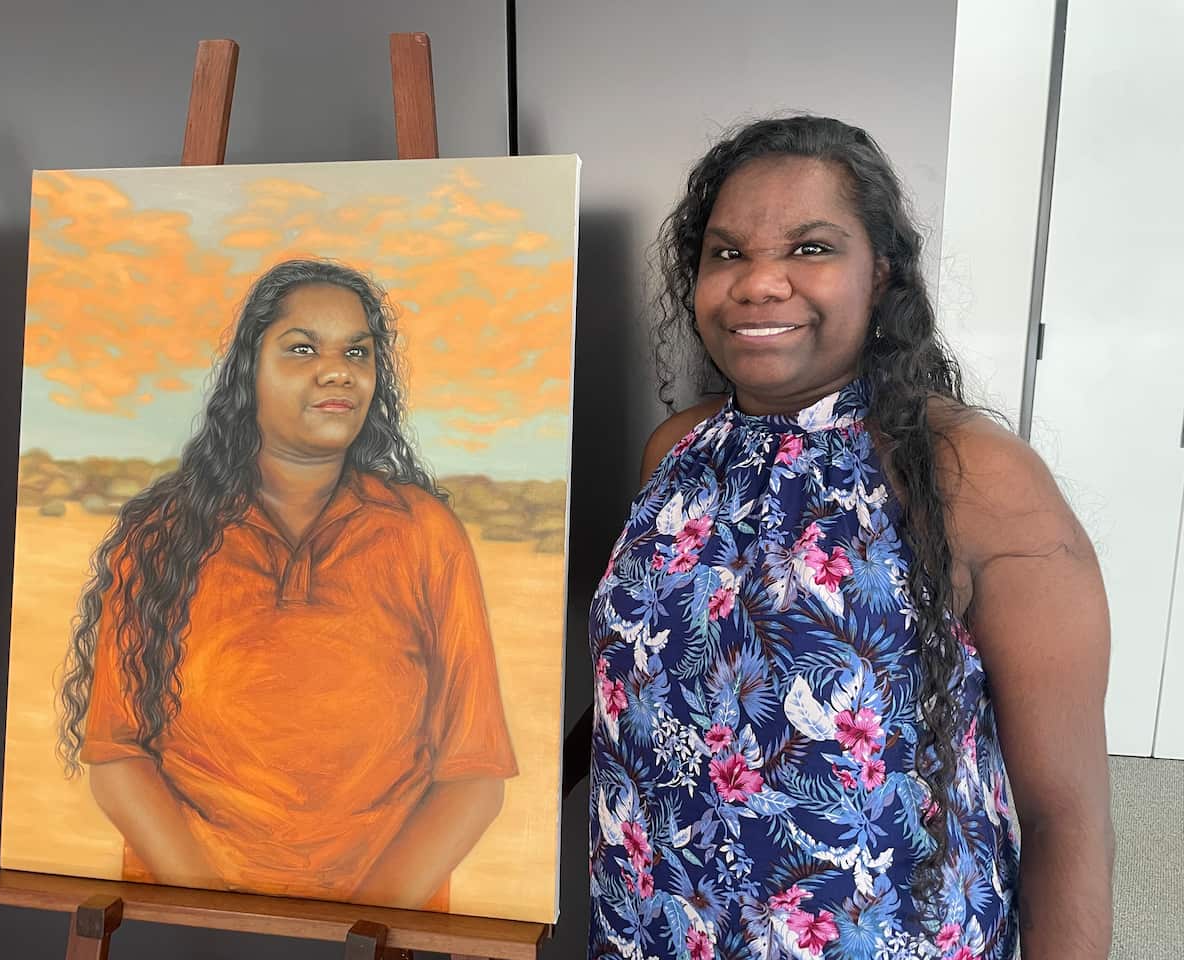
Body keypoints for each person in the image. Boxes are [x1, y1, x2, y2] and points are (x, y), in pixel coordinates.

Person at [587, 117, 1113, 959]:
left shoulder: (974, 478)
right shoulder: (676, 453)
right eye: (727, 254)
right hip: (660, 926)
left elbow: (1068, 817)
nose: (759, 283)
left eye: (809, 249)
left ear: (882, 275)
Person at [57, 258, 517, 909]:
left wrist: (361, 921)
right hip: (191, 925)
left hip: (384, 931)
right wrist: (220, 911)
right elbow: (117, 757)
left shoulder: (424, 533)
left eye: (356, 351)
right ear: (250, 371)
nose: (338, 370)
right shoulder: (162, 535)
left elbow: (474, 777)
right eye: (303, 348)